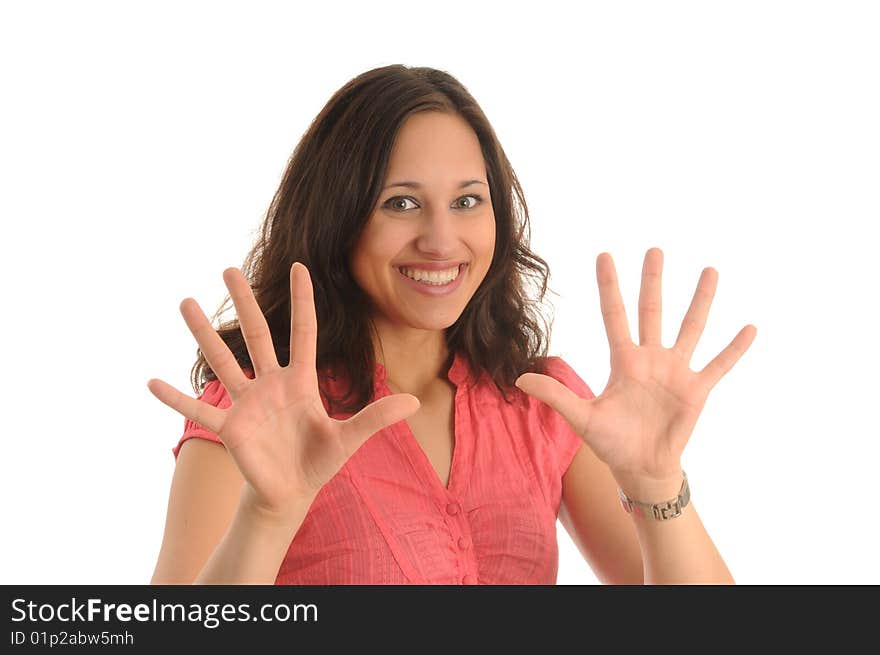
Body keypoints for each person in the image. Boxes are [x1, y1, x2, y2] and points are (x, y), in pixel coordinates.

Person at [147, 65, 756, 585]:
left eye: (467, 201)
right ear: (338, 218)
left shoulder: (540, 404)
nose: (442, 241)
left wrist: (656, 483)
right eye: (401, 202)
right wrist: (268, 514)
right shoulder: (261, 416)